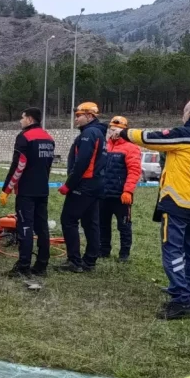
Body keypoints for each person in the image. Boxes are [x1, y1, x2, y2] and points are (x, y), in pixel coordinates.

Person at [114, 98, 190, 320]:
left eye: (184, 111)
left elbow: (150, 139)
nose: (182, 115)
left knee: (172, 250)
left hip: (176, 203)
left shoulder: (185, 134)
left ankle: (180, 298)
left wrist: (124, 133)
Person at [0, 108, 55, 278]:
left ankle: (23, 266)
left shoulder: (24, 137)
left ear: (30, 119)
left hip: (26, 191)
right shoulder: (49, 138)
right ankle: (41, 266)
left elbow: (19, 165)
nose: (20, 120)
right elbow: (48, 165)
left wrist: (6, 190)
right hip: (42, 189)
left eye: (22, 117)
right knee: (42, 228)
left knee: (25, 227)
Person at [58, 102, 107, 273]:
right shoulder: (99, 133)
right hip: (96, 184)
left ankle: (74, 261)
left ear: (90, 116)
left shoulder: (89, 133)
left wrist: (69, 185)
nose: (76, 119)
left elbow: (82, 163)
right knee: (90, 222)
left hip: (84, 184)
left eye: (79, 115)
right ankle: (90, 261)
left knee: (68, 220)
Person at [100, 116, 141, 262]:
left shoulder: (132, 148)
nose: (113, 131)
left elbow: (134, 171)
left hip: (121, 196)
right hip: (104, 194)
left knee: (124, 226)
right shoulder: (105, 145)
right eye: (111, 129)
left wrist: (128, 191)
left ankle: (124, 254)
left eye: (117, 129)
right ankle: (103, 250)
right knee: (102, 224)